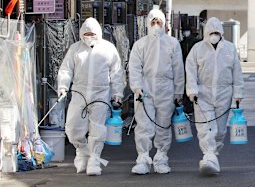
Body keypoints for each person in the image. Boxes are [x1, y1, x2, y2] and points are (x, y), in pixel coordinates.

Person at [57, 18, 123, 176]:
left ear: (98, 33)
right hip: (79, 92)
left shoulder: (108, 49)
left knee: (97, 128)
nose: (89, 36)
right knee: (72, 128)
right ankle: (82, 151)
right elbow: (66, 69)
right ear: (81, 33)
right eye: (86, 33)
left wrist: (117, 93)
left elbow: (117, 73)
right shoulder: (75, 49)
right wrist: (63, 86)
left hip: (100, 93)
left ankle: (94, 159)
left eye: (92, 33)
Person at [128, 9, 185, 175]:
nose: (156, 25)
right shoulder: (140, 44)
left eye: (158, 22)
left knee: (163, 124)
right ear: (148, 24)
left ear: (164, 24)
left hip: (166, 88)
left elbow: (178, 69)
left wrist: (178, 92)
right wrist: (137, 87)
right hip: (145, 88)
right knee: (144, 125)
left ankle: (161, 158)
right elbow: (135, 68)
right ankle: (143, 159)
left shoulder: (173, 43)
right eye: (153, 22)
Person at [186, 17, 244, 174]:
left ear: (222, 33)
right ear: (206, 33)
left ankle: (213, 156)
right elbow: (190, 70)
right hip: (202, 94)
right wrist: (192, 90)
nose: (214, 34)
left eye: (217, 32)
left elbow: (237, 72)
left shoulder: (230, 49)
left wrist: (238, 93)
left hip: (224, 94)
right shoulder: (198, 49)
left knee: (220, 130)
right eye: (211, 32)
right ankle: (208, 155)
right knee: (205, 127)